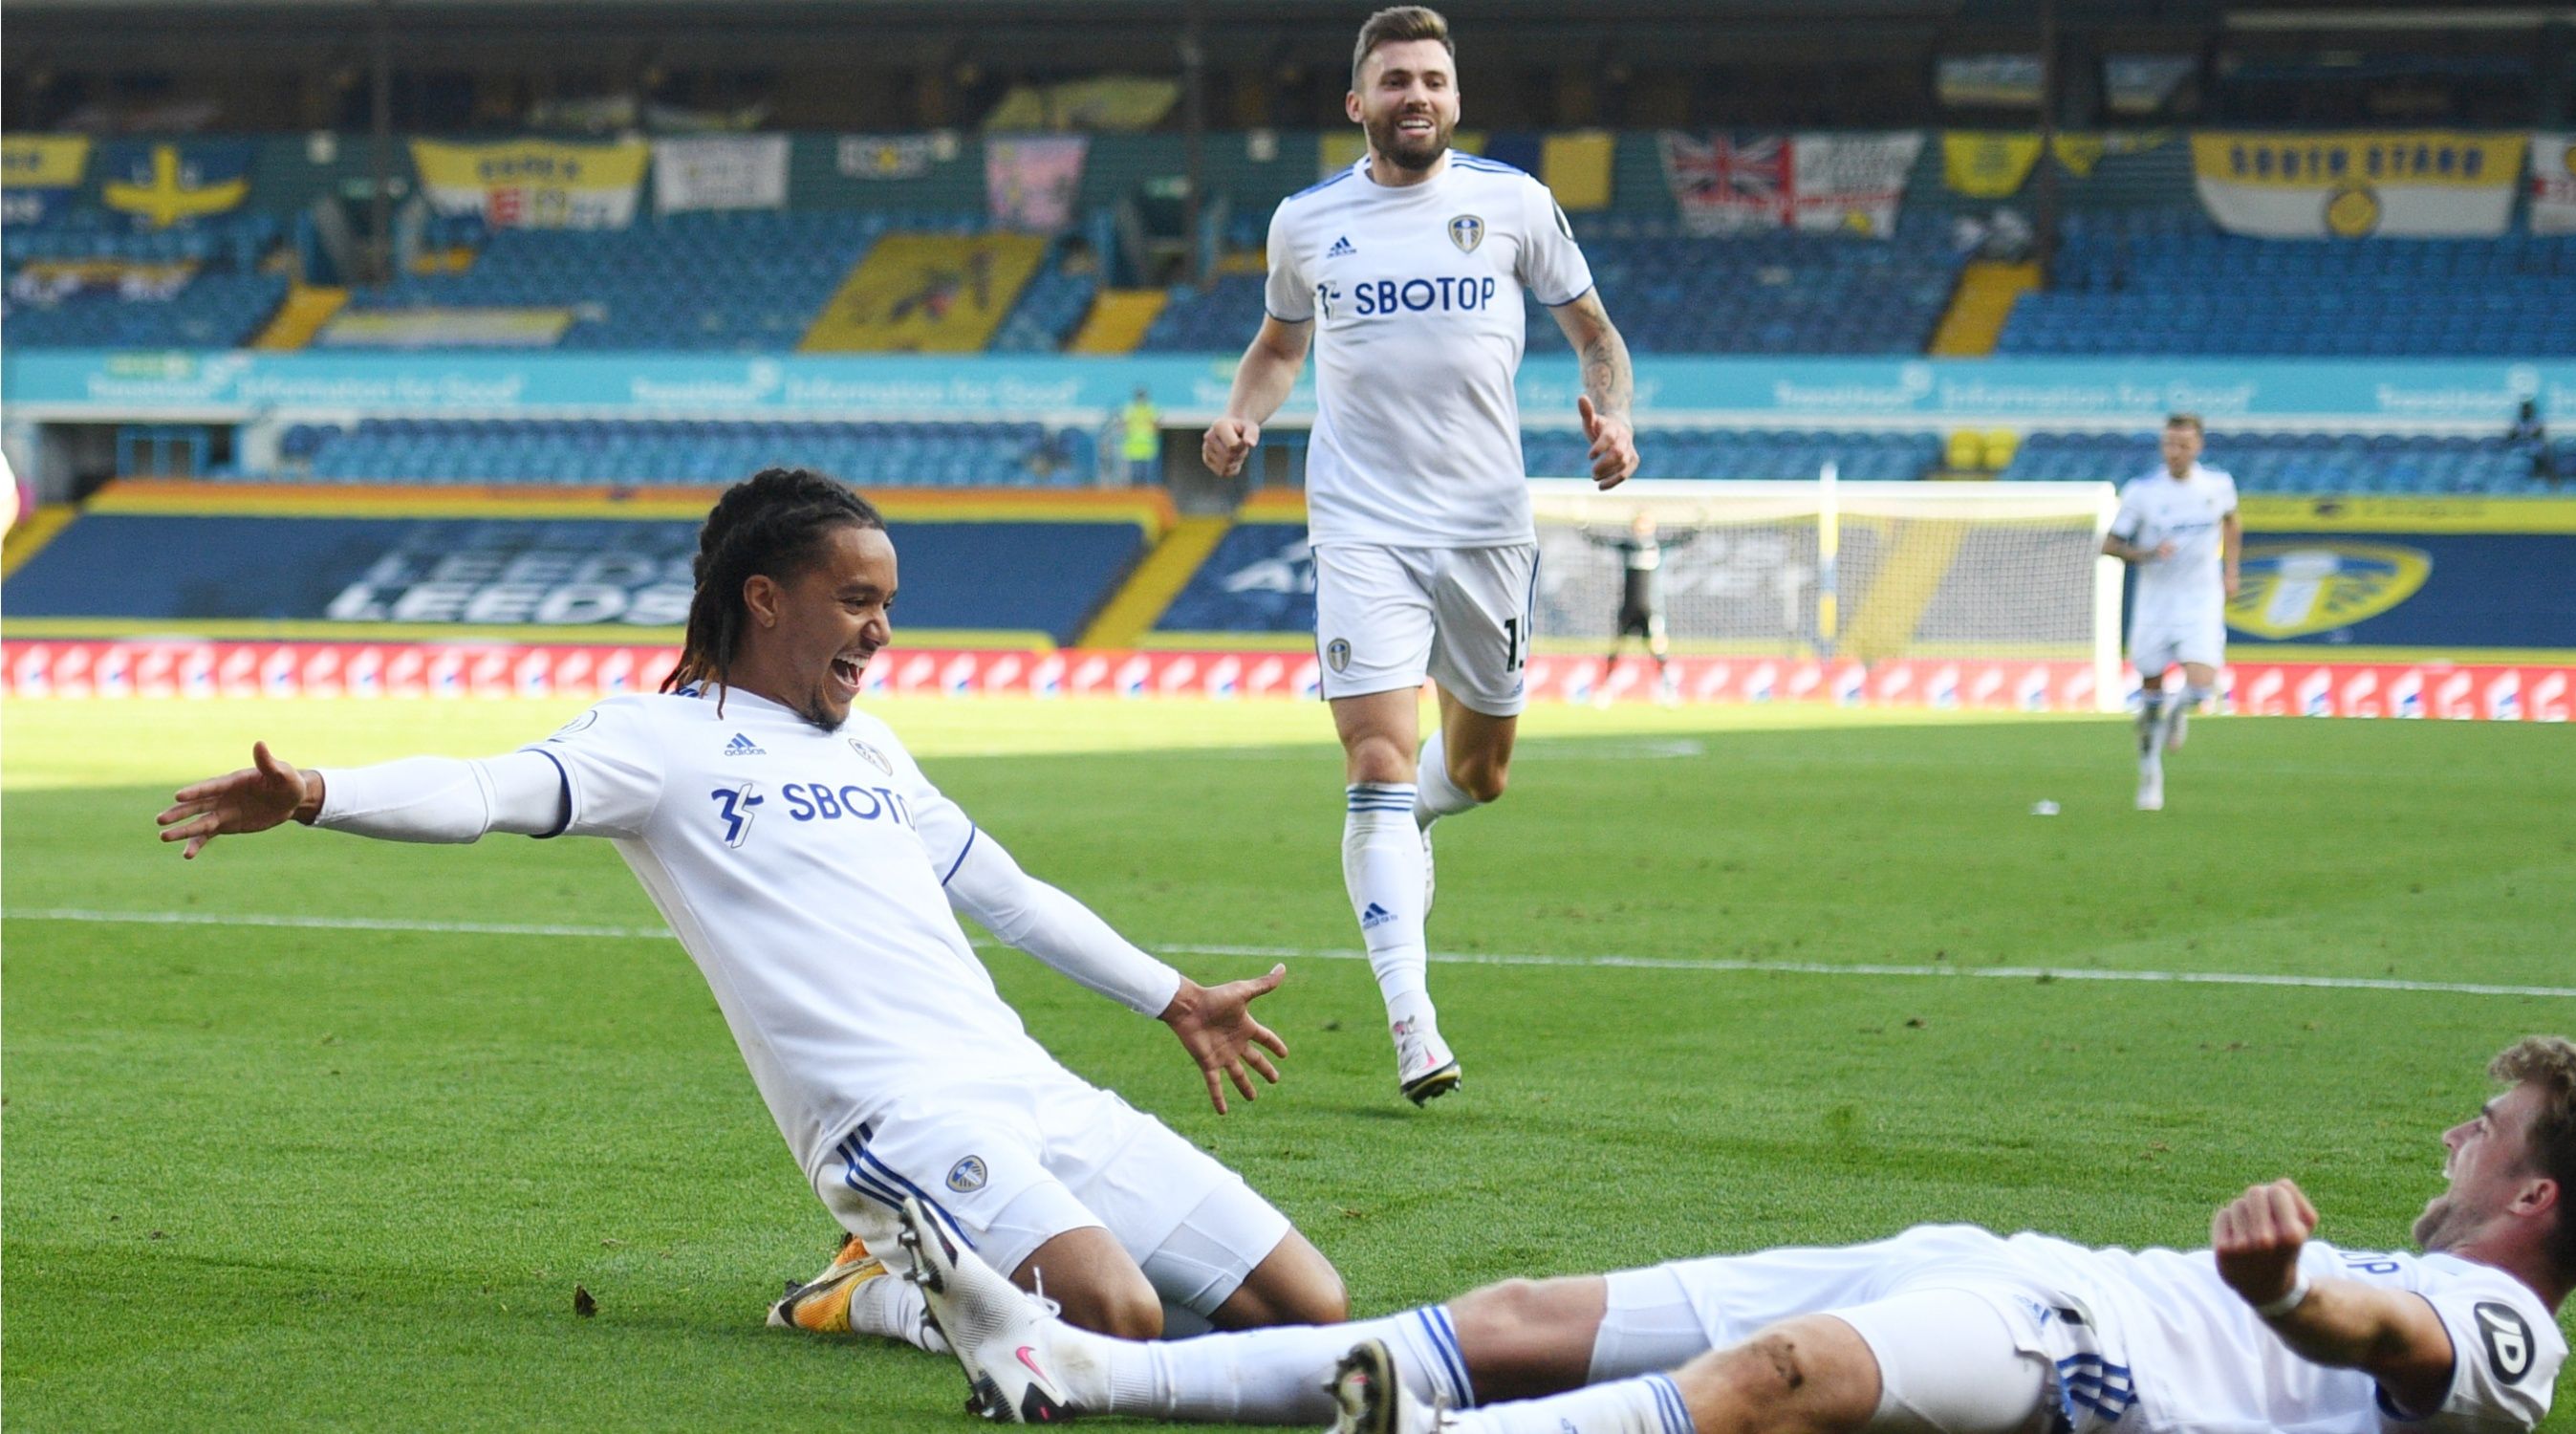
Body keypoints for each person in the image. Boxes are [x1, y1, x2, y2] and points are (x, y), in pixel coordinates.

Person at [152, 467, 1348, 1350]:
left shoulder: (872, 746)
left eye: (888, 603)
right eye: (858, 601)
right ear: (765, 599)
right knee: (1111, 1318)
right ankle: (875, 1290)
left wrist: (1175, 997)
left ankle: (951, 1269)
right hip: (892, 1121)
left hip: (1029, 1088)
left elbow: (1009, 895)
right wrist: (317, 792)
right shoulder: (655, 742)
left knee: (1308, 1307)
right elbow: (479, 793)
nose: (881, 631)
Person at [896, 1035, 2576, 1434]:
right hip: (1990, 1259)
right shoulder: (2434, 1264)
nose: (2456, 1137)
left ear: (2535, 1200)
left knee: (1777, 1385)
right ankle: (1080, 1371)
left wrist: (2289, 1290)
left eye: (2491, 1132)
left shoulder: (2512, 1336)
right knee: (1522, 1308)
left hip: (2085, 1368)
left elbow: (2390, 1353)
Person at [1200, 5, 1639, 1103]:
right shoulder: (1307, 221)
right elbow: (1277, 345)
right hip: (1360, 521)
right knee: (1376, 763)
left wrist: (1614, 416)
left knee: (1479, 773)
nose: (1417, 97)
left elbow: (1597, 336)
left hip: (1488, 524)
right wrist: (1242, 414)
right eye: (1395, 81)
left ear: (1455, 95)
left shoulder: (1514, 204)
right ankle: (1413, 1023)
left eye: (1433, 80)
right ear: (1359, 103)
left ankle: (1414, 822)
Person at [2099, 413, 2239, 813]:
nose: (2174, 452)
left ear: (2199, 447)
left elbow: (2232, 522)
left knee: (2200, 687)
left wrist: (2231, 570)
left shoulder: (2218, 486)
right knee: (2151, 696)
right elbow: (2109, 544)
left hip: (2200, 599)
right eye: (2168, 444)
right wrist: (2146, 553)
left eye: (2183, 445)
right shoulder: (2143, 492)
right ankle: (2149, 771)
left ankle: (2180, 714)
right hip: (2156, 602)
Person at [1593, 510, 1696, 703]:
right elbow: (1601, 541)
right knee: (1616, 649)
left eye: (1646, 525)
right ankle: (1605, 689)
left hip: (1650, 608)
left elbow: (1681, 540)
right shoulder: (1628, 547)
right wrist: (1583, 527)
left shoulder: (1658, 547)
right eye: (1639, 525)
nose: (1641, 530)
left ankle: (1668, 689)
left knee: (1657, 650)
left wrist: (1697, 525)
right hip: (1628, 607)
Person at [1122, 388, 1163, 487]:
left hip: (1133, 445)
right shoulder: (1151, 408)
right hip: (1147, 444)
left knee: (1135, 474)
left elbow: (1124, 425)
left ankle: (1136, 493)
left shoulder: (1130, 409)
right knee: (1148, 475)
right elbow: (1156, 424)